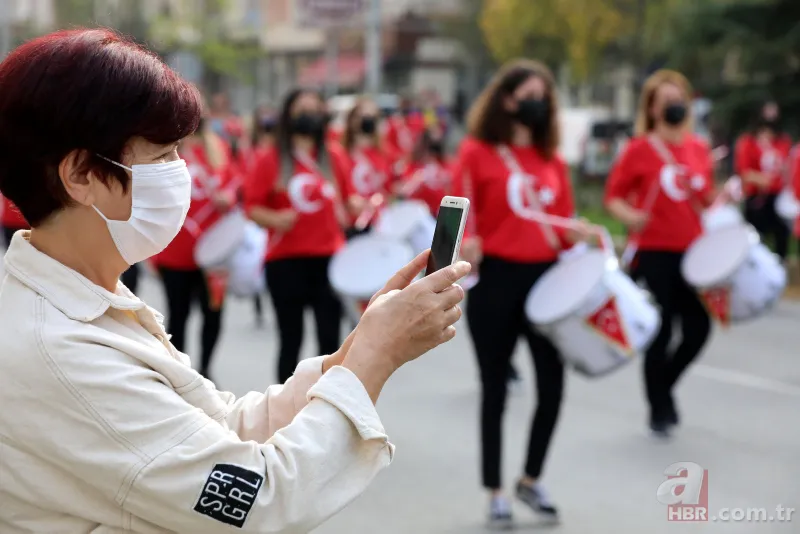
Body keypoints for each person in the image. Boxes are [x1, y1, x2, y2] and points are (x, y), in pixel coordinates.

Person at [0, 28, 471, 533]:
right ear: (82, 175)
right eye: (161, 157)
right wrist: (376, 358)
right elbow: (255, 499)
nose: (180, 173)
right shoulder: (60, 349)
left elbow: (219, 429)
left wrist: (355, 352)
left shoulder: (84, 299)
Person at [454, 58, 592, 527]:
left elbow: (565, 225)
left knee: (552, 387)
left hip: (548, 284)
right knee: (495, 389)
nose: (536, 102)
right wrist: (463, 246)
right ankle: (495, 489)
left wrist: (584, 233)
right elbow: (454, 217)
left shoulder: (553, 159)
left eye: (544, 95)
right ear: (506, 98)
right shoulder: (475, 152)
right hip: (496, 283)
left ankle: (531, 479)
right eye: (527, 92)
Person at [604, 69, 715, 438]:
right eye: (665, 101)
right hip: (653, 253)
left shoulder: (698, 148)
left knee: (699, 327)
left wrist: (722, 201)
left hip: (693, 252)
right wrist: (631, 216)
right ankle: (659, 408)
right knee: (661, 330)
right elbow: (613, 197)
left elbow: (704, 198)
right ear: (651, 109)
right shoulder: (639, 149)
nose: (674, 106)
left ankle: (663, 386)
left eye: (678, 99)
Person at [244, 88, 349, 384]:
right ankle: (284, 412)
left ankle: (329, 407)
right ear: (289, 115)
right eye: (302, 109)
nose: (309, 115)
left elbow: (350, 202)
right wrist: (275, 219)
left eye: (315, 108)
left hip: (329, 259)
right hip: (285, 261)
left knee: (330, 340)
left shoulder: (335, 158)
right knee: (291, 340)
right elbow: (250, 206)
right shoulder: (271, 159)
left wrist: (355, 208)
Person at [150, 119, 233, 379]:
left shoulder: (218, 148)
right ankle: (179, 373)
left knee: (214, 313)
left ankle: (206, 369)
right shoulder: (166, 149)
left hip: (214, 253)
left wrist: (229, 198)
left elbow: (235, 184)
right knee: (178, 315)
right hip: (176, 251)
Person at [734, 100, 793, 263]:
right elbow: (743, 171)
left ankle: (781, 267)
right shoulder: (748, 141)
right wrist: (761, 179)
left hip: (778, 197)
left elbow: (789, 166)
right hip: (757, 198)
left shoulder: (782, 141)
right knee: (756, 238)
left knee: (782, 234)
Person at [330, 96, 393, 236]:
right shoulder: (340, 152)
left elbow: (388, 189)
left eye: (371, 116)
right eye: (361, 116)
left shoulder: (384, 153)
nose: (366, 119)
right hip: (350, 224)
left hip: (378, 222)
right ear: (351, 120)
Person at [397, 124, 452, 215]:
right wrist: (419, 179)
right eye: (428, 148)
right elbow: (403, 192)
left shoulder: (444, 165)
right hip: (419, 215)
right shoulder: (412, 167)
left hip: (441, 213)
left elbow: (451, 187)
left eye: (433, 148)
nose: (430, 153)